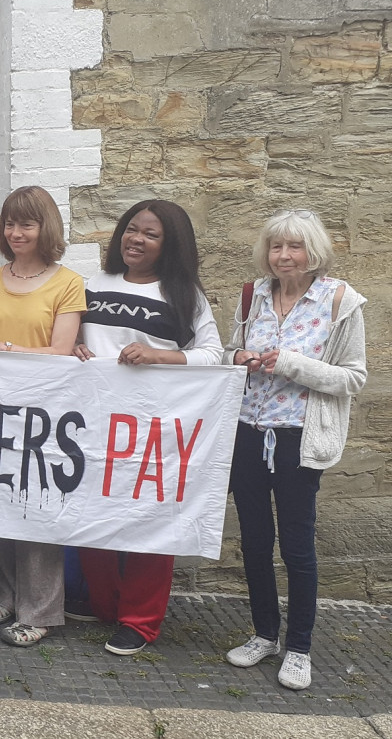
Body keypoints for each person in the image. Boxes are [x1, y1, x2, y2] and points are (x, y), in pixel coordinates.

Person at [222, 209, 366, 691]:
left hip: (296, 439)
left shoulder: (339, 301)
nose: (284, 256)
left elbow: (353, 377)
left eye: (295, 247)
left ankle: (299, 646)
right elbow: (228, 353)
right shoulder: (253, 294)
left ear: (314, 252)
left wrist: (290, 363)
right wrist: (239, 357)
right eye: (276, 246)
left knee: (297, 547)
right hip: (247, 431)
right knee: (255, 541)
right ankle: (265, 633)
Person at [74, 199, 222, 656]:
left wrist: (160, 355)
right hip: (95, 424)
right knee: (89, 512)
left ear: (169, 245)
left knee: (149, 521)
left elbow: (214, 355)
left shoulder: (185, 294)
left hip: (154, 429)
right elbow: (75, 335)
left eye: (150, 234)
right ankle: (102, 604)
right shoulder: (93, 285)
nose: (136, 239)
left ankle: (139, 621)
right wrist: (75, 344)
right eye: (131, 229)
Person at [0, 185, 85, 647]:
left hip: (45, 414)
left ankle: (42, 611)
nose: (16, 232)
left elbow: (60, 352)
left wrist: (5, 348)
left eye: (26, 224)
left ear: (45, 228)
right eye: (10, 223)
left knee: (37, 511)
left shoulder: (67, 282)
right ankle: (7, 596)